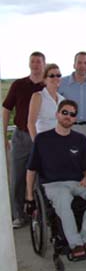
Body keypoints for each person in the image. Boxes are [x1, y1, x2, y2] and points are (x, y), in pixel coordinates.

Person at [25, 99, 86, 258]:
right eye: (65, 113)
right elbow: (31, 169)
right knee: (62, 196)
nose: (68, 116)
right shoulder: (42, 139)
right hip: (53, 185)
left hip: (77, 183)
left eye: (72, 114)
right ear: (57, 114)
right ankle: (75, 244)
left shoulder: (80, 139)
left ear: (75, 119)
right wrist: (29, 196)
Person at [2, 51, 46, 228]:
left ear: (44, 64)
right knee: (18, 177)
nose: (35, 64)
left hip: (42, 138)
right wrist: (4, 134)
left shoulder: (49, 85)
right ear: (29, 64)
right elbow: (6, 109)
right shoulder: (19, 84)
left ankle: (42, 215)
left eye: (39, 61)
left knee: (43, 178)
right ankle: (19, 215)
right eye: (33, 61)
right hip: (20, 137)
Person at [59, 51, 86, 156]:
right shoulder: (62, 83)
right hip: (69, 127)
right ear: (74, 65)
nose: (82, 66)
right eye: (80, 62)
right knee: (69, 160)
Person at [28, 63, 65, 141]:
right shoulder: (38, 96)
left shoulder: (62, 100)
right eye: (52, 76)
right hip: (43, 141)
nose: (56, 78)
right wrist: (37, 145)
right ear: (44, 80)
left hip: (60, 141)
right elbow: (31, 124)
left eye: (58, 75)